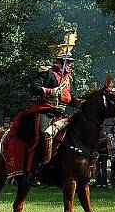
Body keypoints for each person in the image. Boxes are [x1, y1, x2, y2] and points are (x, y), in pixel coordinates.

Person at [24, 29, 80, 185]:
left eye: (69, 63)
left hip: (61, 115)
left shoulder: (68, 78)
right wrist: (49, 91)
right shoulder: (47, 73)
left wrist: (80, 102)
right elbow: (33, 87)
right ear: (59, 62)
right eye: (66, 62)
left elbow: (72, 97)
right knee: (43, 136)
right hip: (45, 112)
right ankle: (33, 171)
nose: (68, 65)